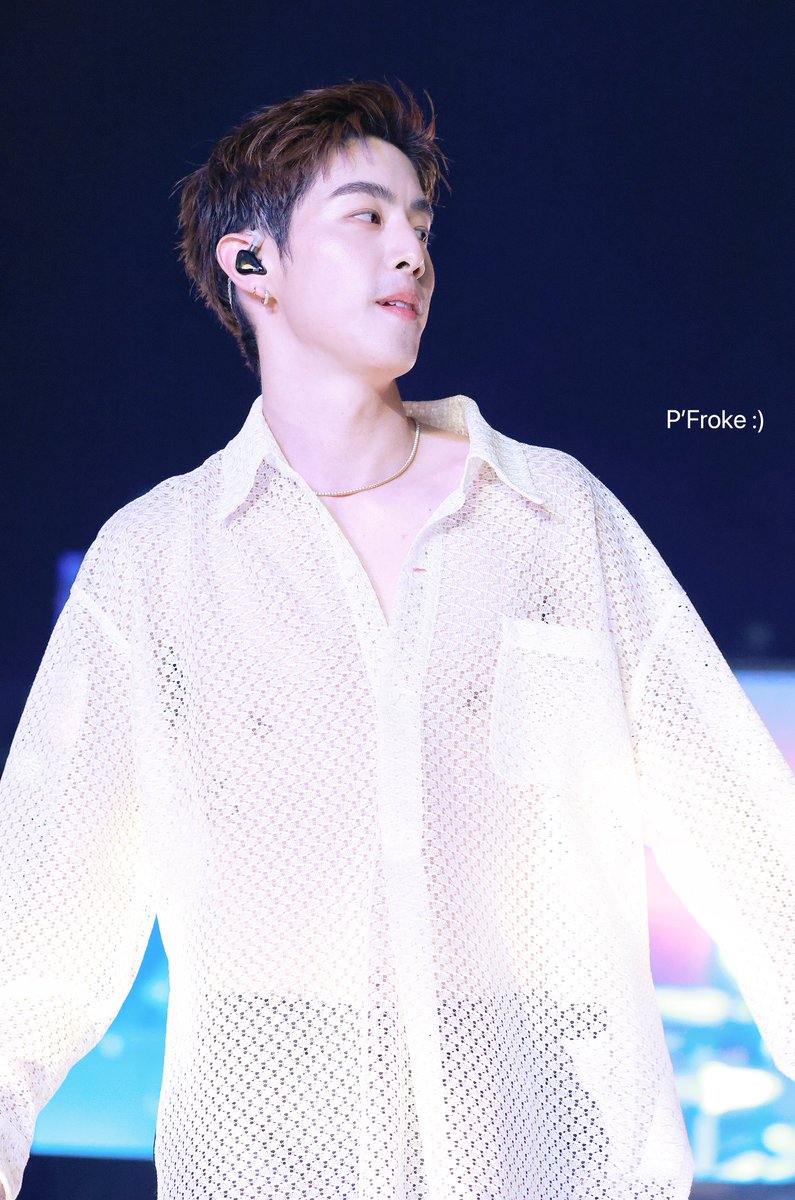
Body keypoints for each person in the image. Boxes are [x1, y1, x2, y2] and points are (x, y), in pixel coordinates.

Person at [0, 78, 793, 1200]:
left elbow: (748, 835)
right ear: (252, 263)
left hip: (538, 1139)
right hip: (270, 1147)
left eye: (419, 223)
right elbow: (34, 929)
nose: (412, 252)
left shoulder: (551, 518)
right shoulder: (159, 561)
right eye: (366, 217)